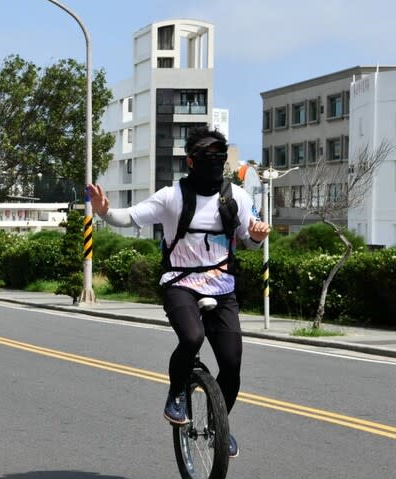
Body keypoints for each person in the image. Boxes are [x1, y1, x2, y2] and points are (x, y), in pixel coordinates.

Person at [88, 126, 270, 459]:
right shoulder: (172, 196)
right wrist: (103, 212)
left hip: (222, 286)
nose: (214, 163)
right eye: (207, 157)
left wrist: (258, 236)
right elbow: (129, 217)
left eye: (219, 157)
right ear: (190, 161)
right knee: (191, 338)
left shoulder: (237, 198)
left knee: (231, 364)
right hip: (180, 283)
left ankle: (220, 426)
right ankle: (176, 394)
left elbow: (250, 240)